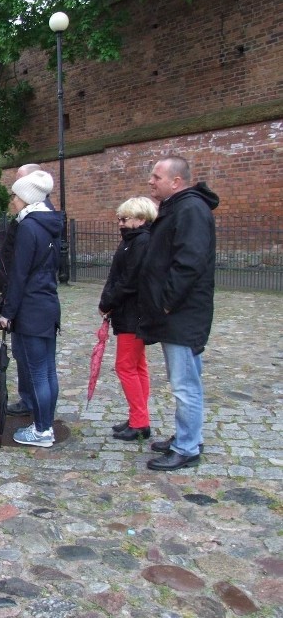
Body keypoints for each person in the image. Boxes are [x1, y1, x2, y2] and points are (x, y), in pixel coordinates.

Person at [138, 156, 218, 471]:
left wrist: (168, 301)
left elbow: (190, 261)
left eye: (156, 176)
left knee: (185, 384)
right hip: (179, 313)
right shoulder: (179, 207)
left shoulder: (190, 209)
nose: (150, 181)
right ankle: (187, 436)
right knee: (185, 380)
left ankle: (187, 447)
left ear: (176, 181)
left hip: (183, 314)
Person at [0, 171, 62, 447]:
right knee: (47, 370)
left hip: (31, 309)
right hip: (47, 305)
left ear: (25, 198)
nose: (12, 200)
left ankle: (42, 429)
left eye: (15, 195)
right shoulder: (49, 224)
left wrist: (7, 313)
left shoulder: (28, 228)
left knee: (37, 372)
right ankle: (45, 423)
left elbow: (19, 275)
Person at [98, 196, 158, 441]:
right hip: (130, 311)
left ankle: (140, 420)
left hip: (134, 313)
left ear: (141, 219)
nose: (121, 223)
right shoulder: (132, 241)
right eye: (119, 219)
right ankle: (138, 416)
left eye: (125, 219)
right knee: (137, 366)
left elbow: (129, 280)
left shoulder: (141, 242)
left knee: (126, 367)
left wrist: (108, 302)